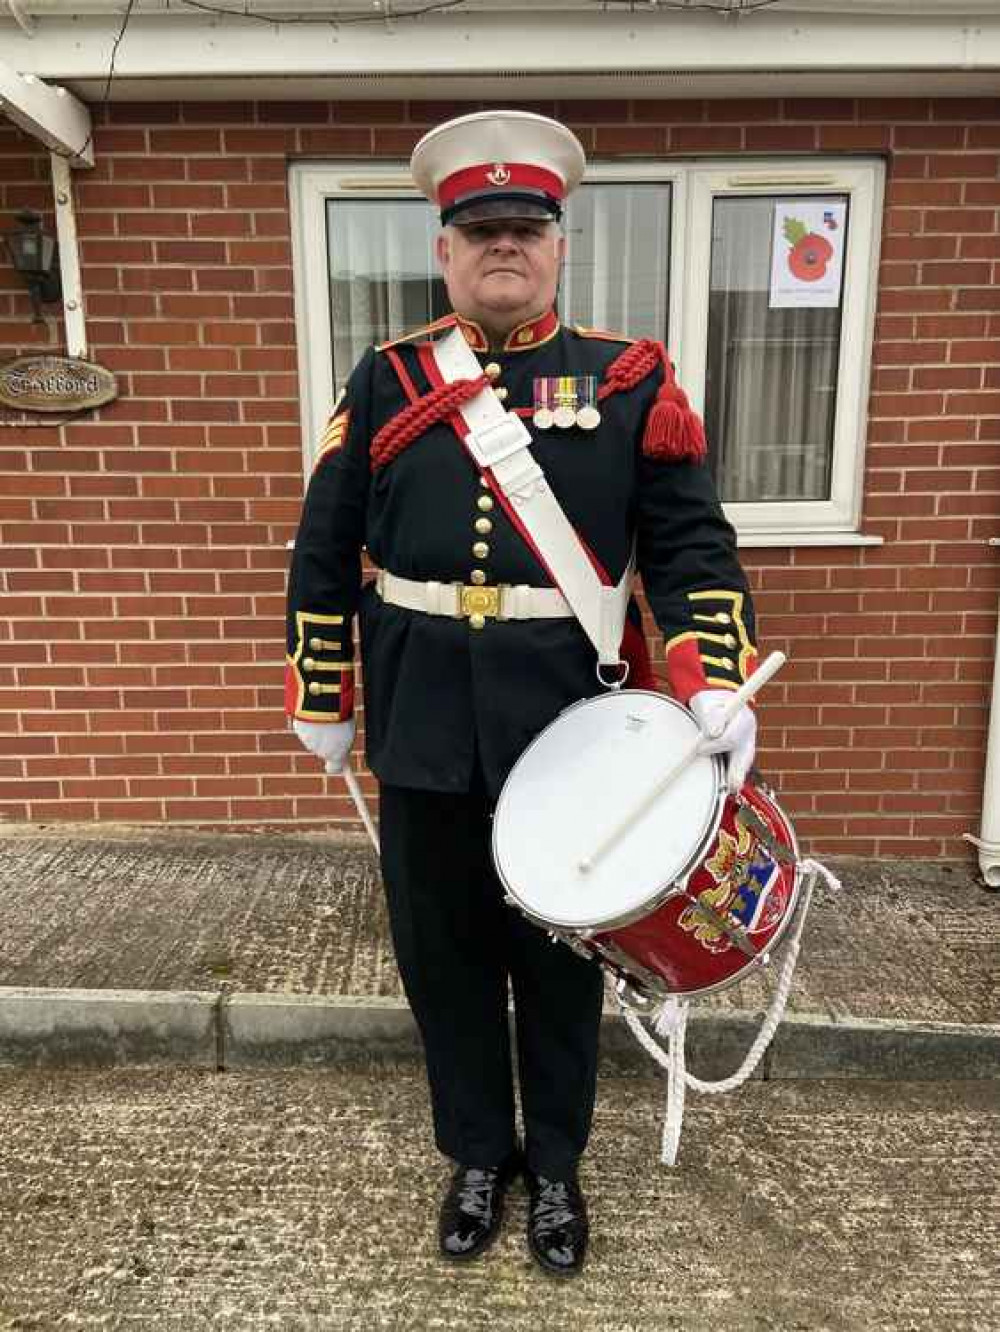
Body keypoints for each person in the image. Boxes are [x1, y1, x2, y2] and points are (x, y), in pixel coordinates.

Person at [285, 110, 758, 1278]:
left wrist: (712, 678)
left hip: (571, 725)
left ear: (558, 246)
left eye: (525, 228)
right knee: (440, 952)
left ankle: (554, 1163)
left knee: (558, 959)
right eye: (479, 229)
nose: (504, 245)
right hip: (423, 718)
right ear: (443, 251)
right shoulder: (388, 377)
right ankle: (476, 1154)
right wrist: (321, 685)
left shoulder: (631, 381)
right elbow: (324, 543)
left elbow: (692, 550)